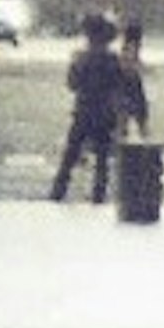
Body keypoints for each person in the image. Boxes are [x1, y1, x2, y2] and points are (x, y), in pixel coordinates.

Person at [51, 10, 122, 201]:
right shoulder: (112, 59)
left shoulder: (82, 58)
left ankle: (58, 191)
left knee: (70, 155)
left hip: (83, 111)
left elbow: (72, 83)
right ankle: (98, 195)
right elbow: (118, 84)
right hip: (105, 113)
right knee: (102, 160)